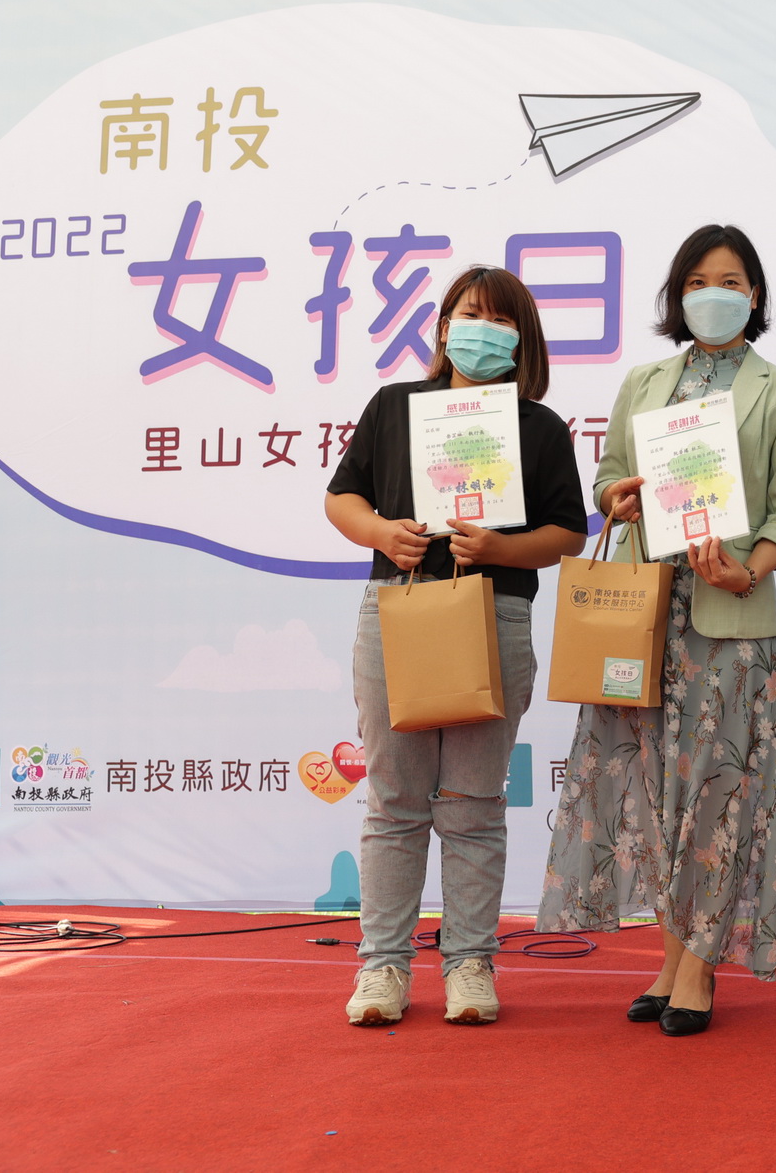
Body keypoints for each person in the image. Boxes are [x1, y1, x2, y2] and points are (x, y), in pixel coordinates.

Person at [538, 224, 776, 1037]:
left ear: (754, 294)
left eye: (730, 279)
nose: (713, 292)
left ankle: (700, 967)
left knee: (718, 794)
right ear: (677, 294)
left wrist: (751, 565)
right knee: (655, 792)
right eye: (697, 279)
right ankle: (669, 958)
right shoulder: (646, 380)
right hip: (643, 615)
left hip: (728, 618)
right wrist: (616, 495)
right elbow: (605, 480)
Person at [325, 266, 588, 1028]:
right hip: (397, 612)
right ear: (442, 326)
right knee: (394, 800)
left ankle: (471, 963)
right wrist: (382, 533)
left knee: (474, 803)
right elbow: (342, 495)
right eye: (471, 313)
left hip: (494, 615)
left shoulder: (538, 427)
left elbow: (568, 532)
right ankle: (382, 968)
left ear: (523, 339)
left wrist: (500, 548)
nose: (483, 329)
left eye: (501, 320)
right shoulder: (395, 406)